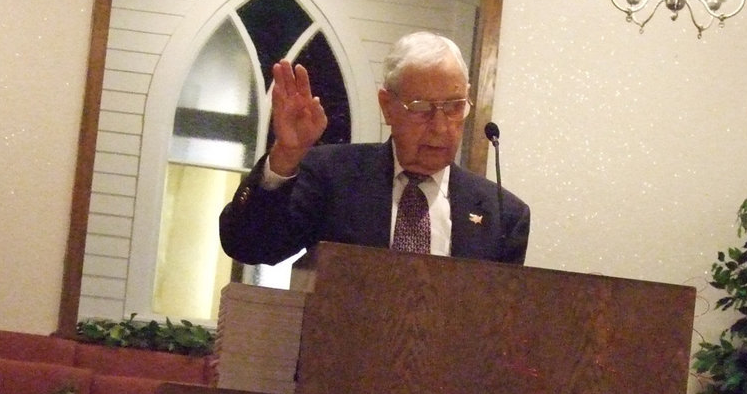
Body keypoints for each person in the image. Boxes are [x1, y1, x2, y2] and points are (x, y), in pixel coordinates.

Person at [219, 31, 530, 267]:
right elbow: (249, 246)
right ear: (387, 106)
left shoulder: (503, 215)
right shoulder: (333, 178)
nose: (440, 126)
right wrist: (285, 156)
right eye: (421, 108)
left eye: (454, 106)